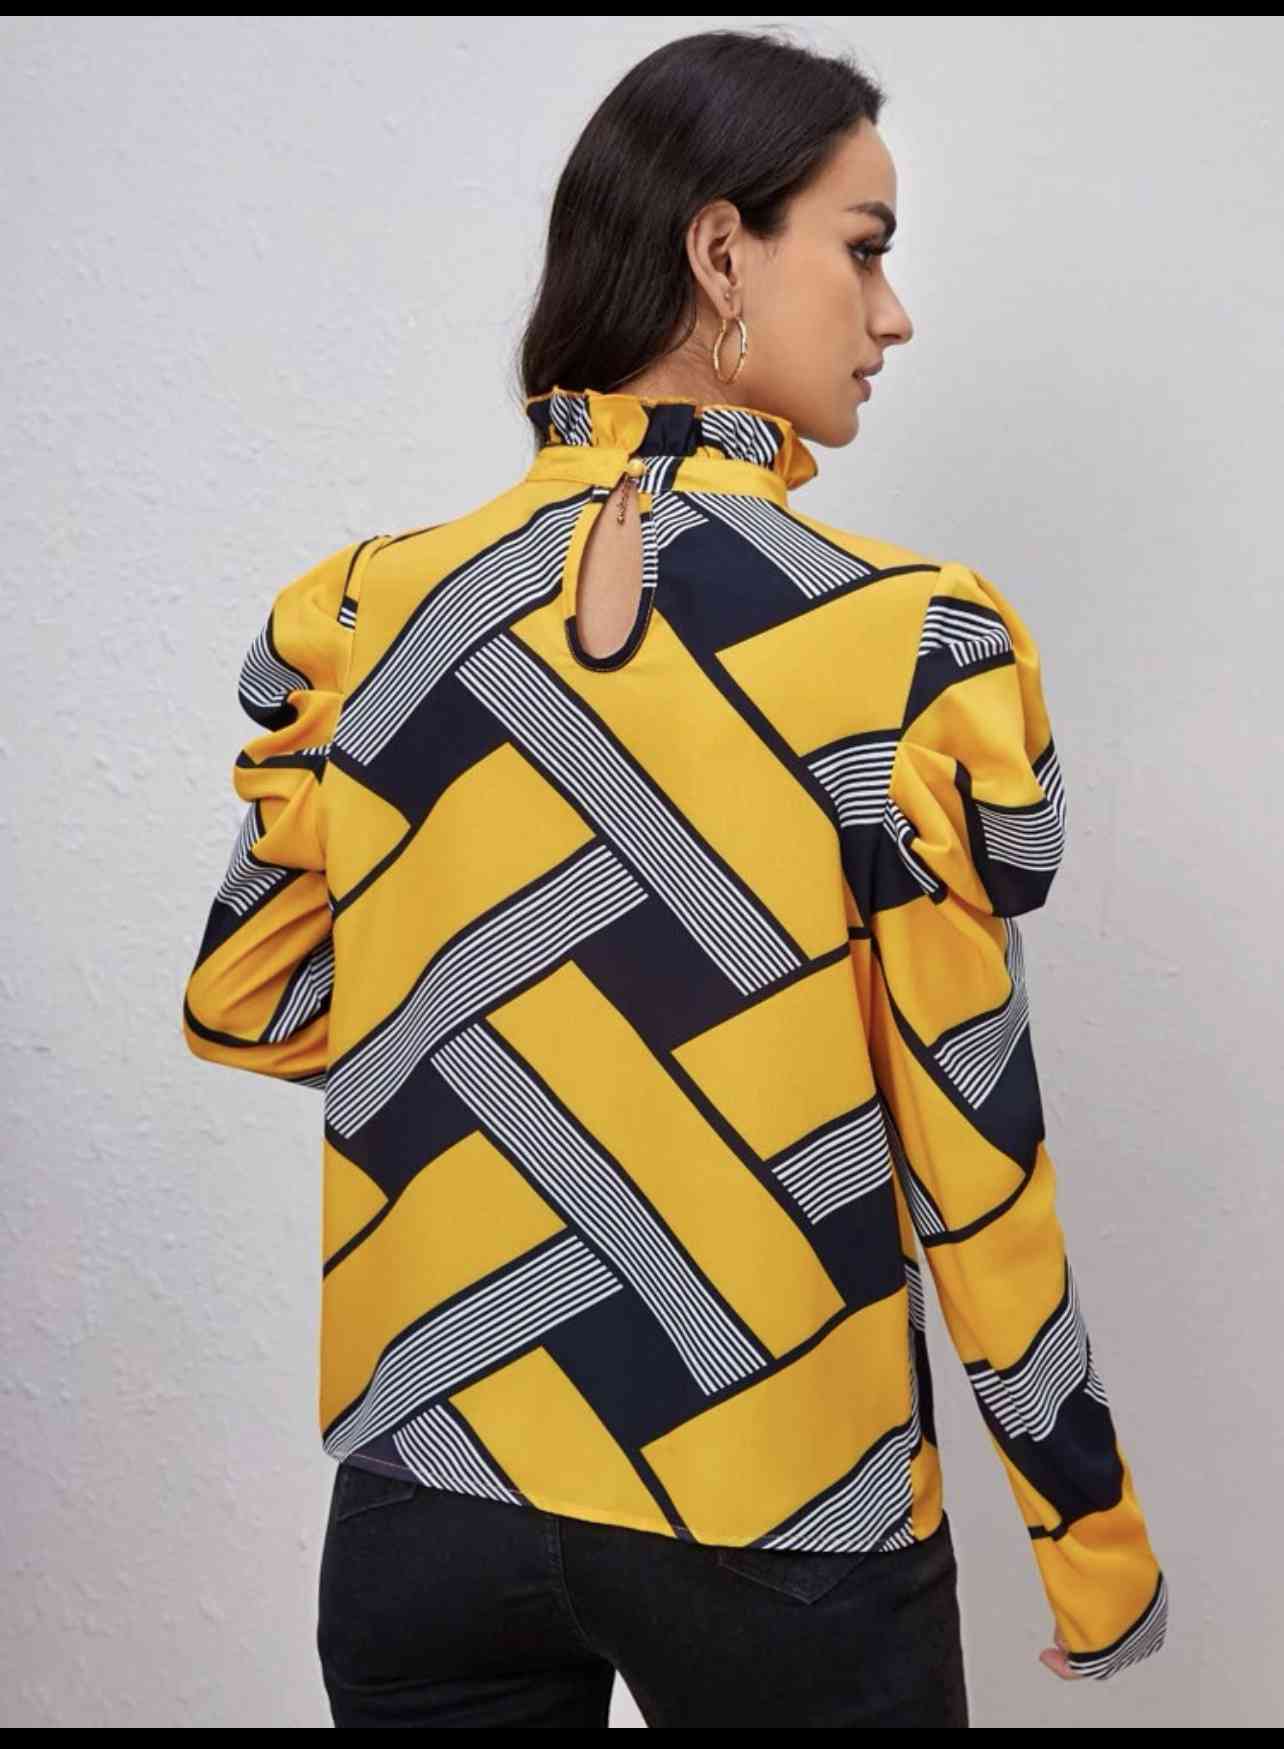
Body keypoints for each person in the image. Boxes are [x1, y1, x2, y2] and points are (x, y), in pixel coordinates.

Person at [180, 26, 1168, 1728]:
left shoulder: (363, 613)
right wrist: (1090, 1540)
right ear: (723, 252)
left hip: (429, 1489)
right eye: (864, 248)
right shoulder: (905, 646)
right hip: (778, 1500)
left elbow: (255, 1005)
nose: (893, 314)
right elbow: (971, 1145)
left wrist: (487, 1001)